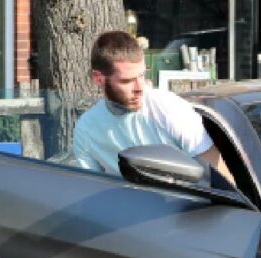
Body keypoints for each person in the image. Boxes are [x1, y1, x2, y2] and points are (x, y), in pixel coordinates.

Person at [73, 30, 235, 186]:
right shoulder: (86, 128)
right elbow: (90, 188)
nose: (140, 87)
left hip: (187, 207)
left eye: (142, 75)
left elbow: (219, 175)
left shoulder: (169, 108)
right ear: (98, 78)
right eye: (127, 81)